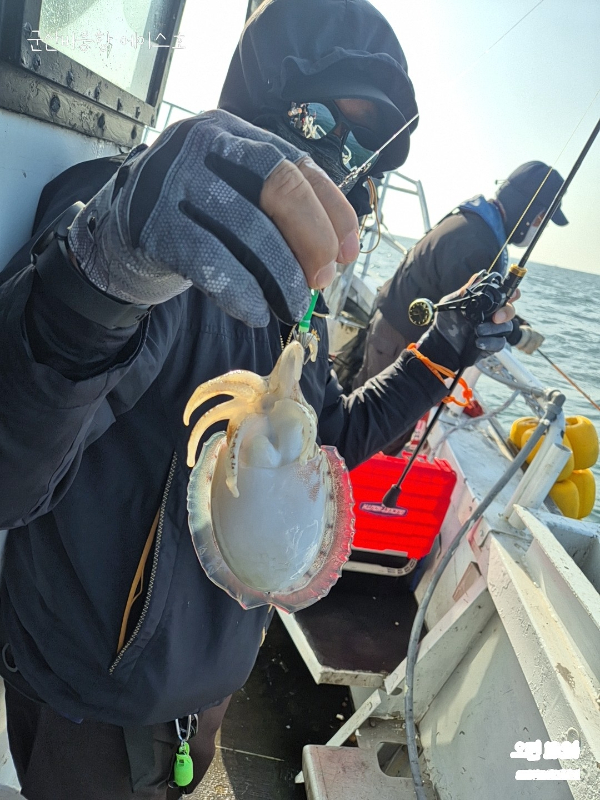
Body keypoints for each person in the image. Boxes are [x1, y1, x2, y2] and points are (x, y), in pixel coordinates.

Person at [0, 1, 517, 798]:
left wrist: (436, 354)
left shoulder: (293, 298)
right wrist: (107, 271)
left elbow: (329, 431)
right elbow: (11, 475)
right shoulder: (138, 226)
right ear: (262, 103)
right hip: (94, 713)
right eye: (322, 122)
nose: (345, 165)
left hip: (200, 701)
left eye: (365, 152)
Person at [353, 161, 568, 389]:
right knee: (380, 409)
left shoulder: (474, 222)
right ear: (527, 210)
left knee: (364, 395)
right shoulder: (478, 243)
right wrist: (518, 336)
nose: (542, 227)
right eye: (541, 219)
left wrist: (517, 322)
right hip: (399, 340)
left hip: (391, 328)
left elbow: (471, 296)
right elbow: (473, 312)